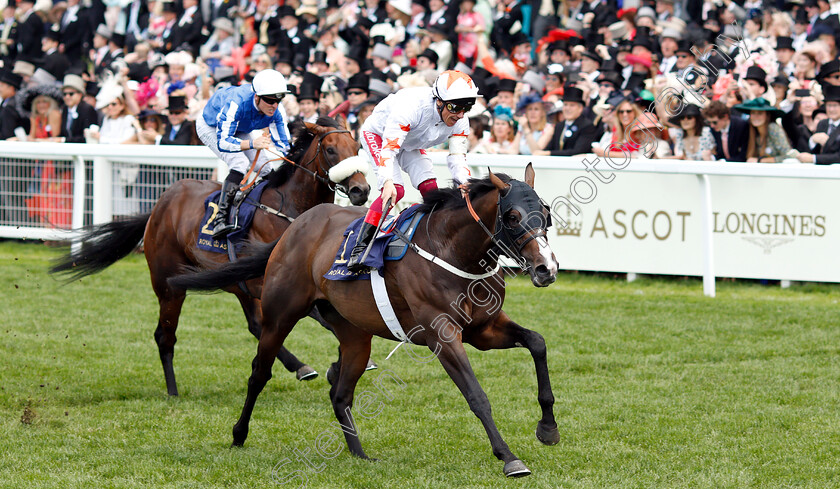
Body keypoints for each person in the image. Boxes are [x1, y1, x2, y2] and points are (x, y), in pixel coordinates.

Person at [347, 69, 478, 271]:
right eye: (455, 107)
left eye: (467, 107)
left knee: (431, 191)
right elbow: (389, 150)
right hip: (380, 136)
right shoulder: (411, 108)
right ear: (439, 101)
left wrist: (464, 183)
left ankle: (434, 243)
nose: (460, 114)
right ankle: (360, 248)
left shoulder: (460, 120)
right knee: (395, 191)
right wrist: (387, 181)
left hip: (410, 143)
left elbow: (457, 157)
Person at [196, 68, 292, 238]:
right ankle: (220, 219)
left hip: (240, 127)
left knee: (265, 168)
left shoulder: (276, 110)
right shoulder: (236, 103)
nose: (275, 105)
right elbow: (224, 141)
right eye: (270, 100)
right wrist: (252, 143)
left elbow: (284, 144)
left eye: (279, 99)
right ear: (257, 97)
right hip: (211, 127)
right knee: (239, 163)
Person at [733, 97, 792, 163]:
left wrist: (760, 160)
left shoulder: (773, 128)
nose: (756, 116)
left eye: (760, 113)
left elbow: (788, 156)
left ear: (767, 115)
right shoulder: (750, 130)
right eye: (753, 113)